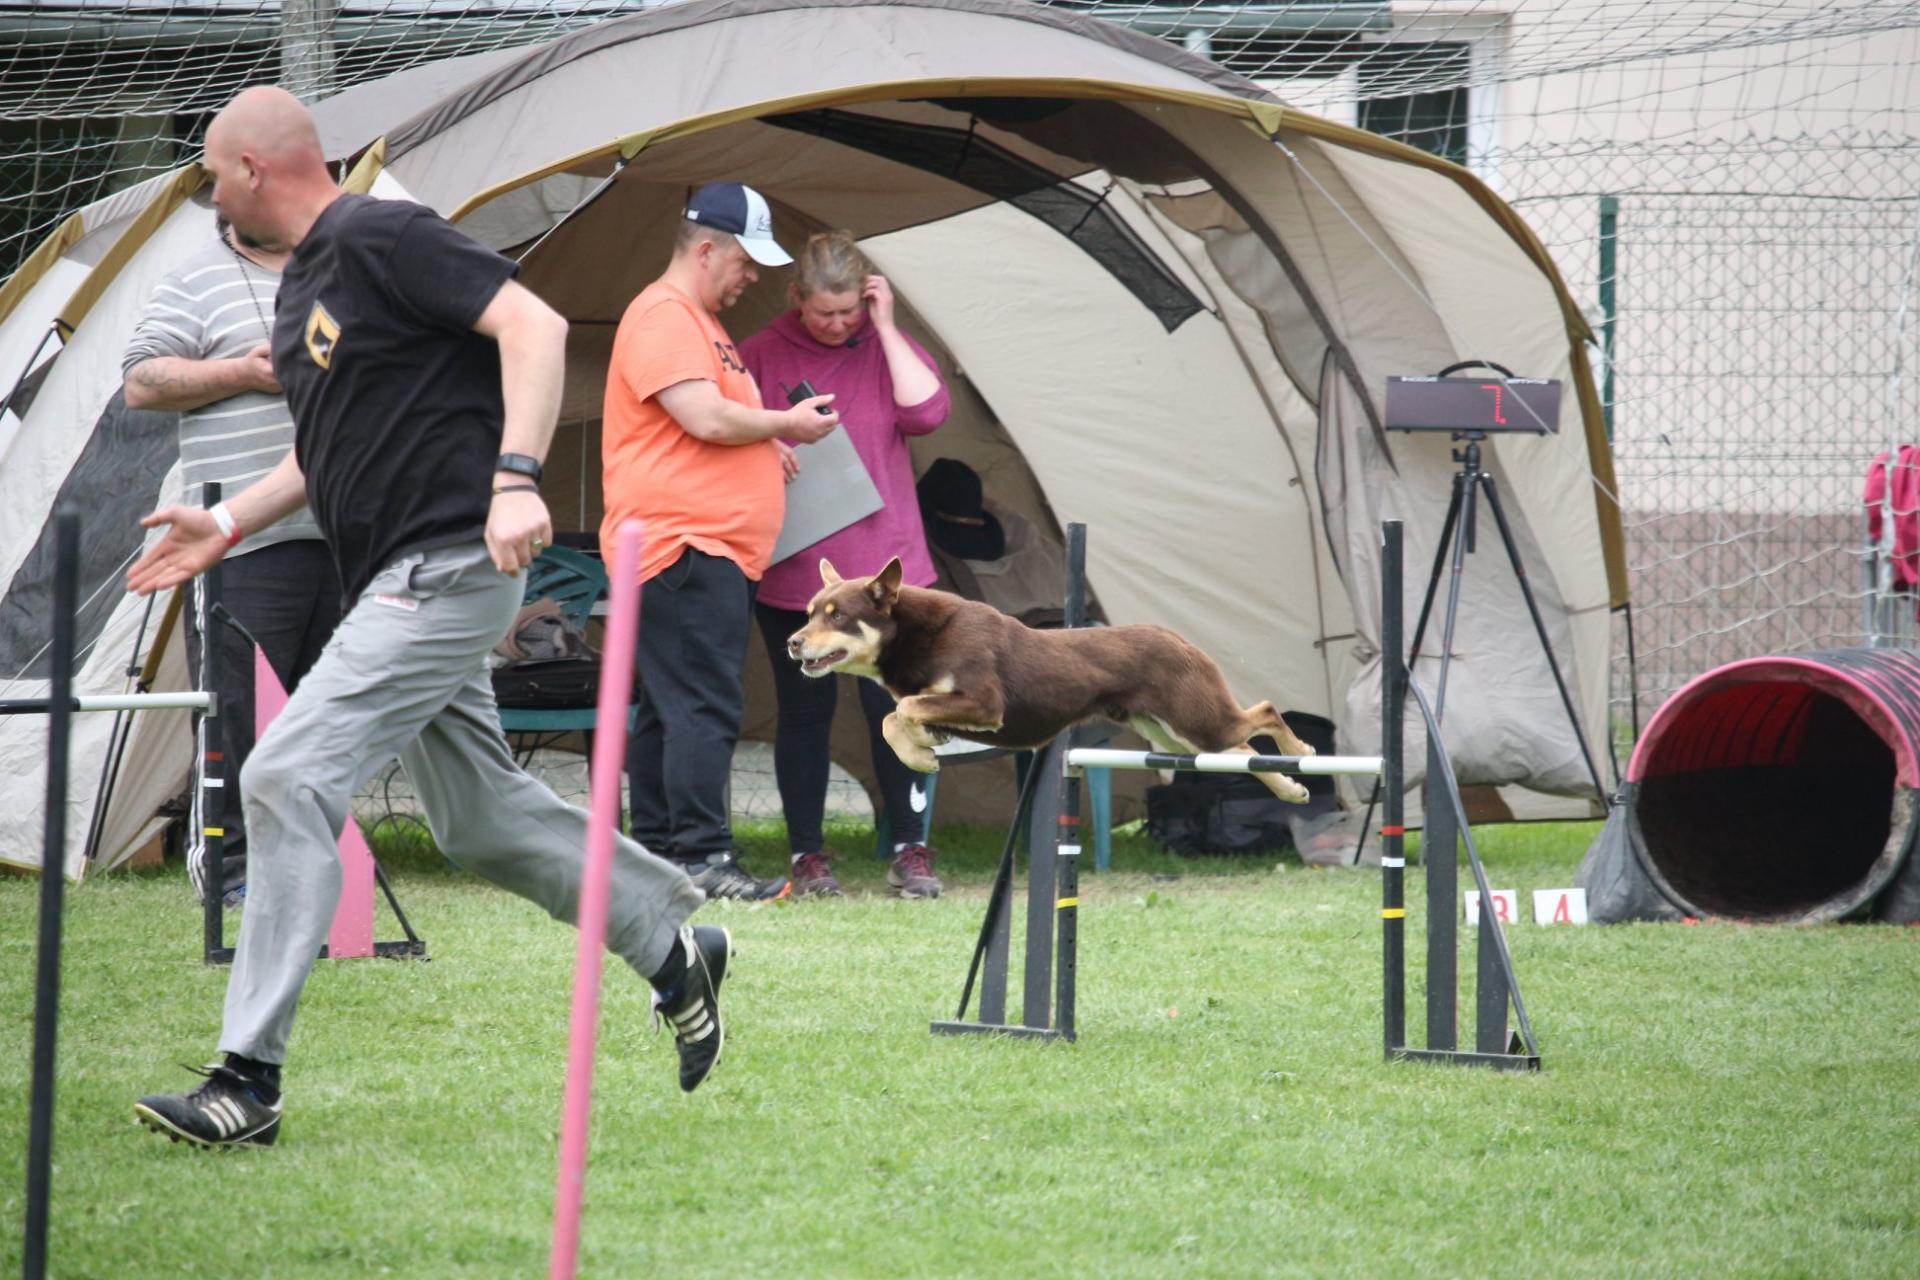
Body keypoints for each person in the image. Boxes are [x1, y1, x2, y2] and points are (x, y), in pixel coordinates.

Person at [126, 86, 726, 1150]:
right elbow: (323, 454)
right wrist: (226, 525)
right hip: (398, 578)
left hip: (451, 559)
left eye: (213, 173)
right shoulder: (303, 291)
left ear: (258, 169)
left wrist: (516, 477)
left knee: (283, 770)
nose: (209, 193)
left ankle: (246, 1077)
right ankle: (674, 947)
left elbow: (532, 325)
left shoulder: (380, 232)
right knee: (480, 818)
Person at [601, 182, 840, 900]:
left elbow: (709, 425)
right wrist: (785, 424)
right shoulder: (665, 316)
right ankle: (701, 859)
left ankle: (656, 856)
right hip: (684, 547)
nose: (753, 277)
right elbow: (702, 418)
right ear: (706, 250)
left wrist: (765, 445)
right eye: (745, 262)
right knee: (702, 705)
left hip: (700, 549)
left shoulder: (699, 323)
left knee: (671, 708)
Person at [123, 213, 343, 909]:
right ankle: (228, 869)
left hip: (339, 533)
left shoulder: (339, 274)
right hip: (239, 542)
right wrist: (240, 372)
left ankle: (313, 871)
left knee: (325, 715)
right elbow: (140, 382)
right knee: (238, 715)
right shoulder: (195, 278)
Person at [739, 231, 951, 898]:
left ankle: (912, 850)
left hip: (890, 581)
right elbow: (719, 431)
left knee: (897, 707)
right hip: (798, 573)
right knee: (804, 713)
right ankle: (808, 854)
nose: (836, 326)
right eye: (822, 313)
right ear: (795, 297)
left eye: (848, 312)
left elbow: (928, 412)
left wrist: (886, 326)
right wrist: (764, 440)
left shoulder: (883, 348)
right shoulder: (760, 355)